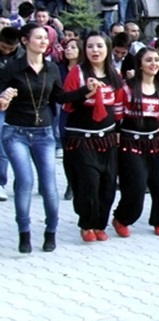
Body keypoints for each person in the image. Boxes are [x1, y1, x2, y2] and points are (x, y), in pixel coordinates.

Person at [0, 23, 93, 253]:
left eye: (46, 38)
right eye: (38, 37)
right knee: (25, 182)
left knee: (49, 186)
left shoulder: (51, 69)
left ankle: (51, 231)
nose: (43, 41)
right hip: (15, 132)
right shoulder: (11, 68)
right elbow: (1, 97)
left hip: (44, 133)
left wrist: (85, 91)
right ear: (25, 41)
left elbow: (60, 97)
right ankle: (24, 233)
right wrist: (3, 98)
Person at [61, 32, 125, 243]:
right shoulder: (77, 73)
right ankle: (86, 223)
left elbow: (117, 107)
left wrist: (117, 133)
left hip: (107, 138)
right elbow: (65, 102)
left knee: (107, 185)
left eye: (99, 46)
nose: (95, 51)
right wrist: (85, 92)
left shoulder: (114, 73)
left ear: (107, 49)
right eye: (90, 46)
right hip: (81, 138)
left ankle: (100, 224)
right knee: (89, 182)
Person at [112, 47, 159, 237]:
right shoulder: (128, 87)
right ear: (140, 64)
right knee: (137, 184)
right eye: (149, 60)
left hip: (155, 141)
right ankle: (122, 218)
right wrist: (116, 136)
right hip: (130, 141)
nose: (154, 64)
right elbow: (117, 113)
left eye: (157, 60)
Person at [0, 26, 24, 202]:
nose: (7, 51)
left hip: (17, 106)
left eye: (10, 48)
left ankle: (19, 182)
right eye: (4, 47)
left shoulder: (22, 56)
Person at [58, 38, 83, 201]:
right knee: (68, 149)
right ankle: (70, 183)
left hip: (82, 114)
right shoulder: (59, 69)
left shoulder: (85, 70)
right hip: (65, 112)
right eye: (67, 47)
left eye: (73, 47)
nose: (69, 50)